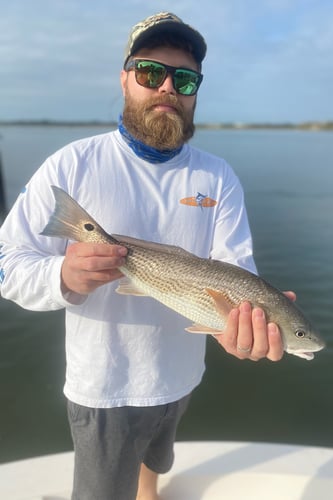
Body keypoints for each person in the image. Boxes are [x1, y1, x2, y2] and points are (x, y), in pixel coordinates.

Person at [0, 12, 292, 500]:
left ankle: (148, 492)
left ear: (196, 89)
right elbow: (6, 260)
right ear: (125, 78)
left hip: (181, 375)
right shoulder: (72, 164)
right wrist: (62, 275)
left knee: (156, 459)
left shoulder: (218, 177)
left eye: (184, 78)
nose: (168, 89)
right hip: (105, 386)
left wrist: (243, 327)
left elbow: (237, 270)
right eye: (151, 72)